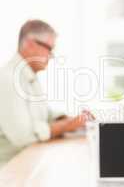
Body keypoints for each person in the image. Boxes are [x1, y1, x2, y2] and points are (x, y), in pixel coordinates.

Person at [0, 20, 94, 168]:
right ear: (30, 44)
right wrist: (66, 125)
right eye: (49, 49)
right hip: (9, 172)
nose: (51, 56)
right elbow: (23, 137)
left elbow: (44, 114)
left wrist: (70, 120)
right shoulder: (8, 79)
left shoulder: (28, 77)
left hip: (28, 164)